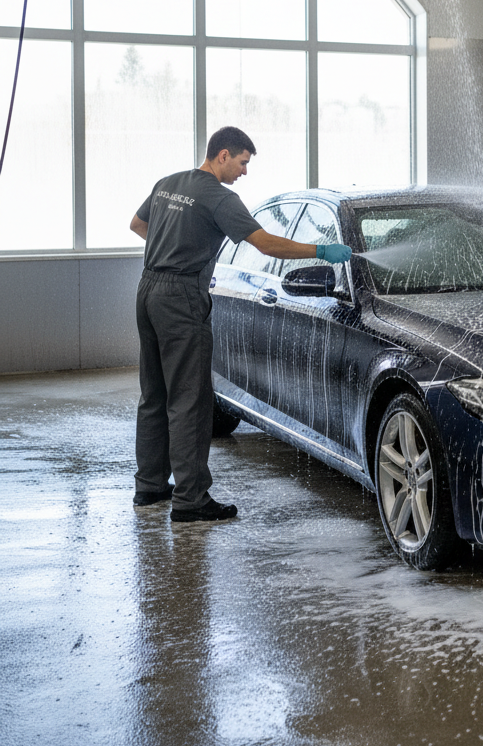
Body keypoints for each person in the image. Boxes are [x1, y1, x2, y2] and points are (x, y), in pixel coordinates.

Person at [129, 126, 351, 522]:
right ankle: (191, 500)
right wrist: (321, 250)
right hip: (180, 298)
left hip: (148, 290)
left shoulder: (168, 183)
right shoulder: (219, 197)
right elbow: (266, 244)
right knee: (190, 401)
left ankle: (149, 487)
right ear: (223, 155)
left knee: (155, 394)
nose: (244, 172)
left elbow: (138, 224)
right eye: (243, 163)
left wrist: (172, 248)